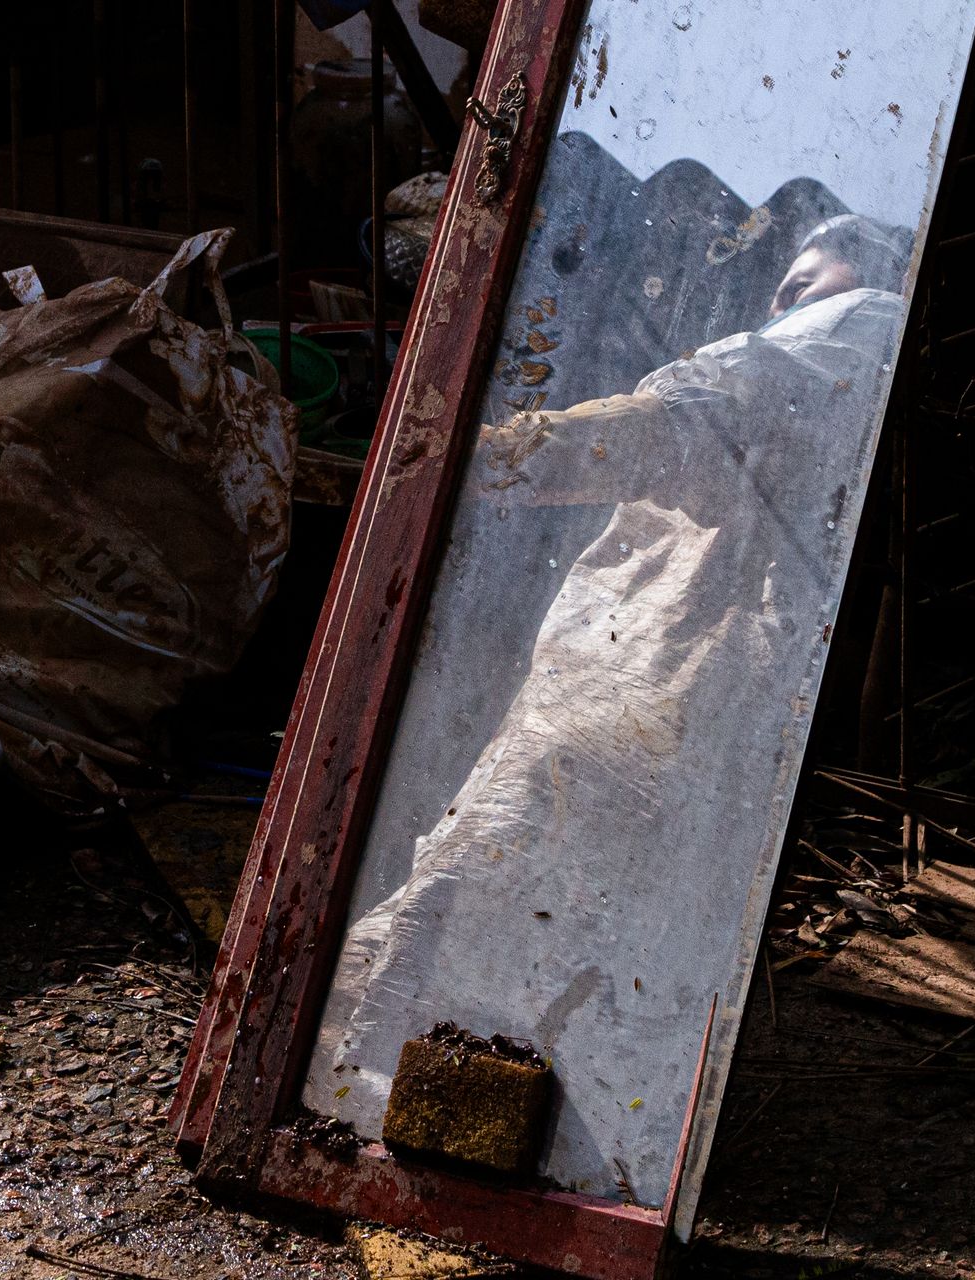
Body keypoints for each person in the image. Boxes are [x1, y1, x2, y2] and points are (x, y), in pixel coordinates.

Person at [306, 214, 913, 1202]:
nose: (788, 296)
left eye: (811, 275)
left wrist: (496, 457)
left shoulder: (862, 324)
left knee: (495, 891)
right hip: (635, 689)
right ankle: (493, 1141)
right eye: (787, 283)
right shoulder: (825, 372)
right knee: (522, 921)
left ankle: (510, 1166)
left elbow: (698, 409)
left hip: (664, 699)